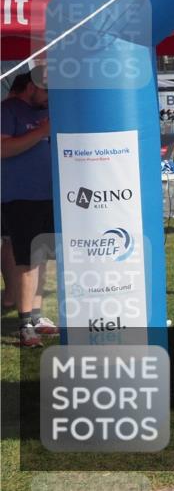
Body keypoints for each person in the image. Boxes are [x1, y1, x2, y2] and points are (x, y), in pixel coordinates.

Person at [1, 69, 58, 347]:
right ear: (31, 87)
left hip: (50, 196)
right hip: (20, 198)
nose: (50, 98)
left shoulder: (47, 111)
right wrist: (42, 131)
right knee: (27, 260)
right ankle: (25, 325)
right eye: (47, 92)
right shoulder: (8, 110)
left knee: (42, 257)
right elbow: (4, 149)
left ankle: (36, 316)